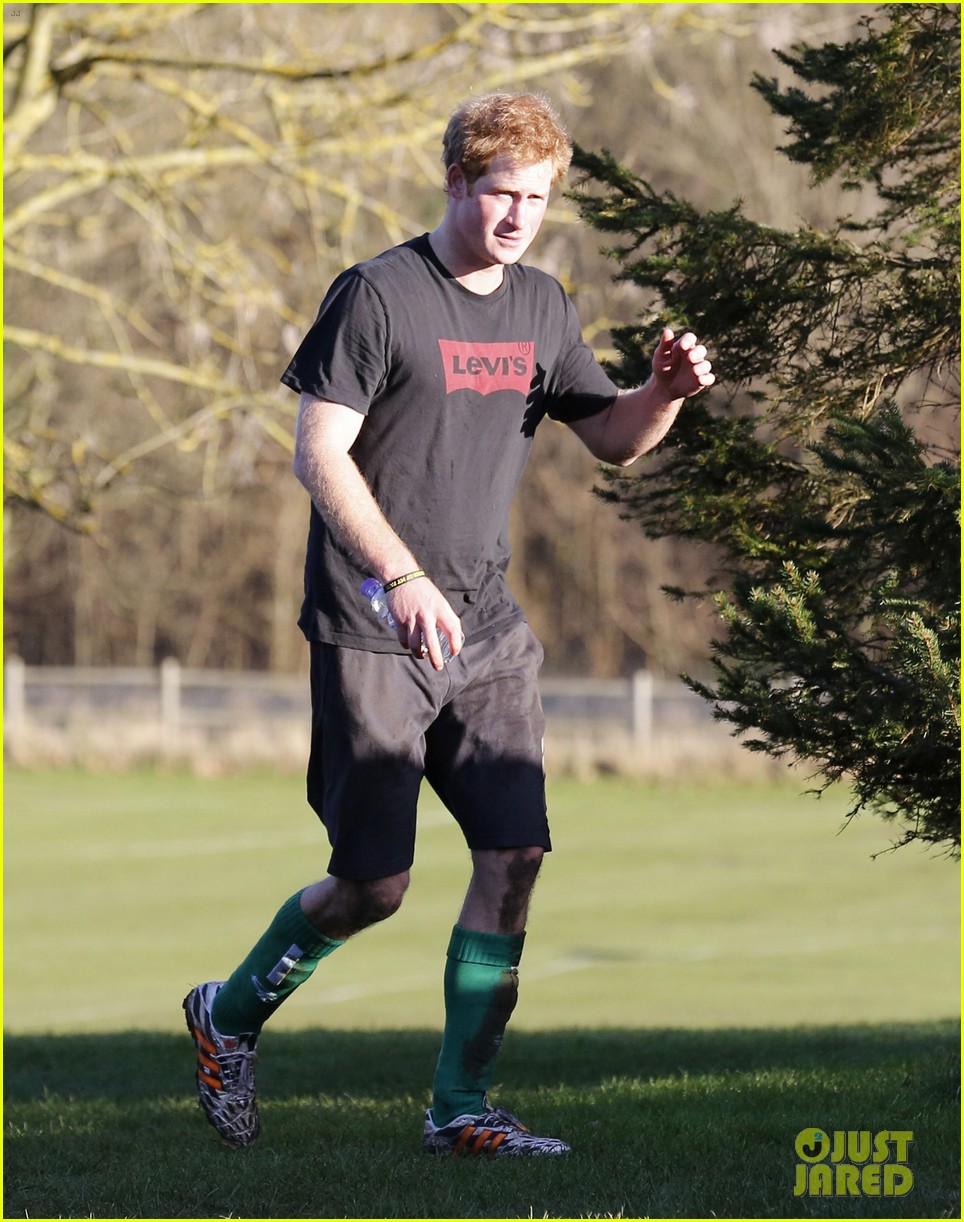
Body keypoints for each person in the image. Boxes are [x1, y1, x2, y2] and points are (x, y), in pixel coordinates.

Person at [184, 91, 714, 1157]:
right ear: (455, 183)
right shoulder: (376, 296)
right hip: (374, 621)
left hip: (488, 629)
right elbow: (318, 453)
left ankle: (461, 1107)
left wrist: (660, 394)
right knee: (374, 883)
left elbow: (609, 439)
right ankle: (227, 1014)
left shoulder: (541, 306)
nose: (517, 217)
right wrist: (400, 574)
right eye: (500, 194)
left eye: (537, 198)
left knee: (513, 852)